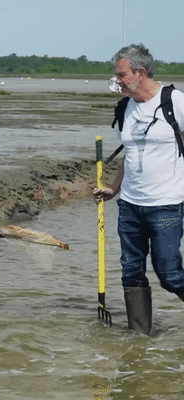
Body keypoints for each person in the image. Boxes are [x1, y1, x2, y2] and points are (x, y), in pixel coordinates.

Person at [93, 44, 184, 335]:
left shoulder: (175, 101)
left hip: (167, 206)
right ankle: (139, 341)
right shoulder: (124, 107)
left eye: (121, 75)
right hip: (130, 206)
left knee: (169, 275)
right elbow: (131, 155)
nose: (116, 81)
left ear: (140, 72)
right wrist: (114, 188)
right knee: (131, 273)